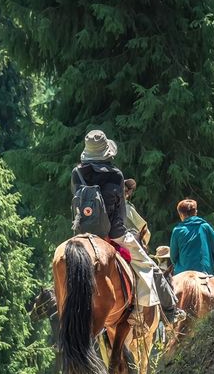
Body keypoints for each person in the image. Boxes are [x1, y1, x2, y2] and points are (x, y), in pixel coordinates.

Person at [71, 132, 182, 323]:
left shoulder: (77, 173)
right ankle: (170, 311)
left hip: (83, 234)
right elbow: (121, 213)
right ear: (107, 152)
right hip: (114, 234)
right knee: (149, 267)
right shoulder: (116, 175)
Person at [169, 199, 214, 294]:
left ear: (181, 214)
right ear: (195, 212)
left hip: (182, 272)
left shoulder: (177, 230)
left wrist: (179, 267)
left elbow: (173, 256)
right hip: (205, 271)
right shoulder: (206, 227)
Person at [123, 179, 150, 248]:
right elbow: (143, 228)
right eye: (125, 190)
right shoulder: (127, 207)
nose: (128, 192)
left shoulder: (128, 206)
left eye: (129, 189)